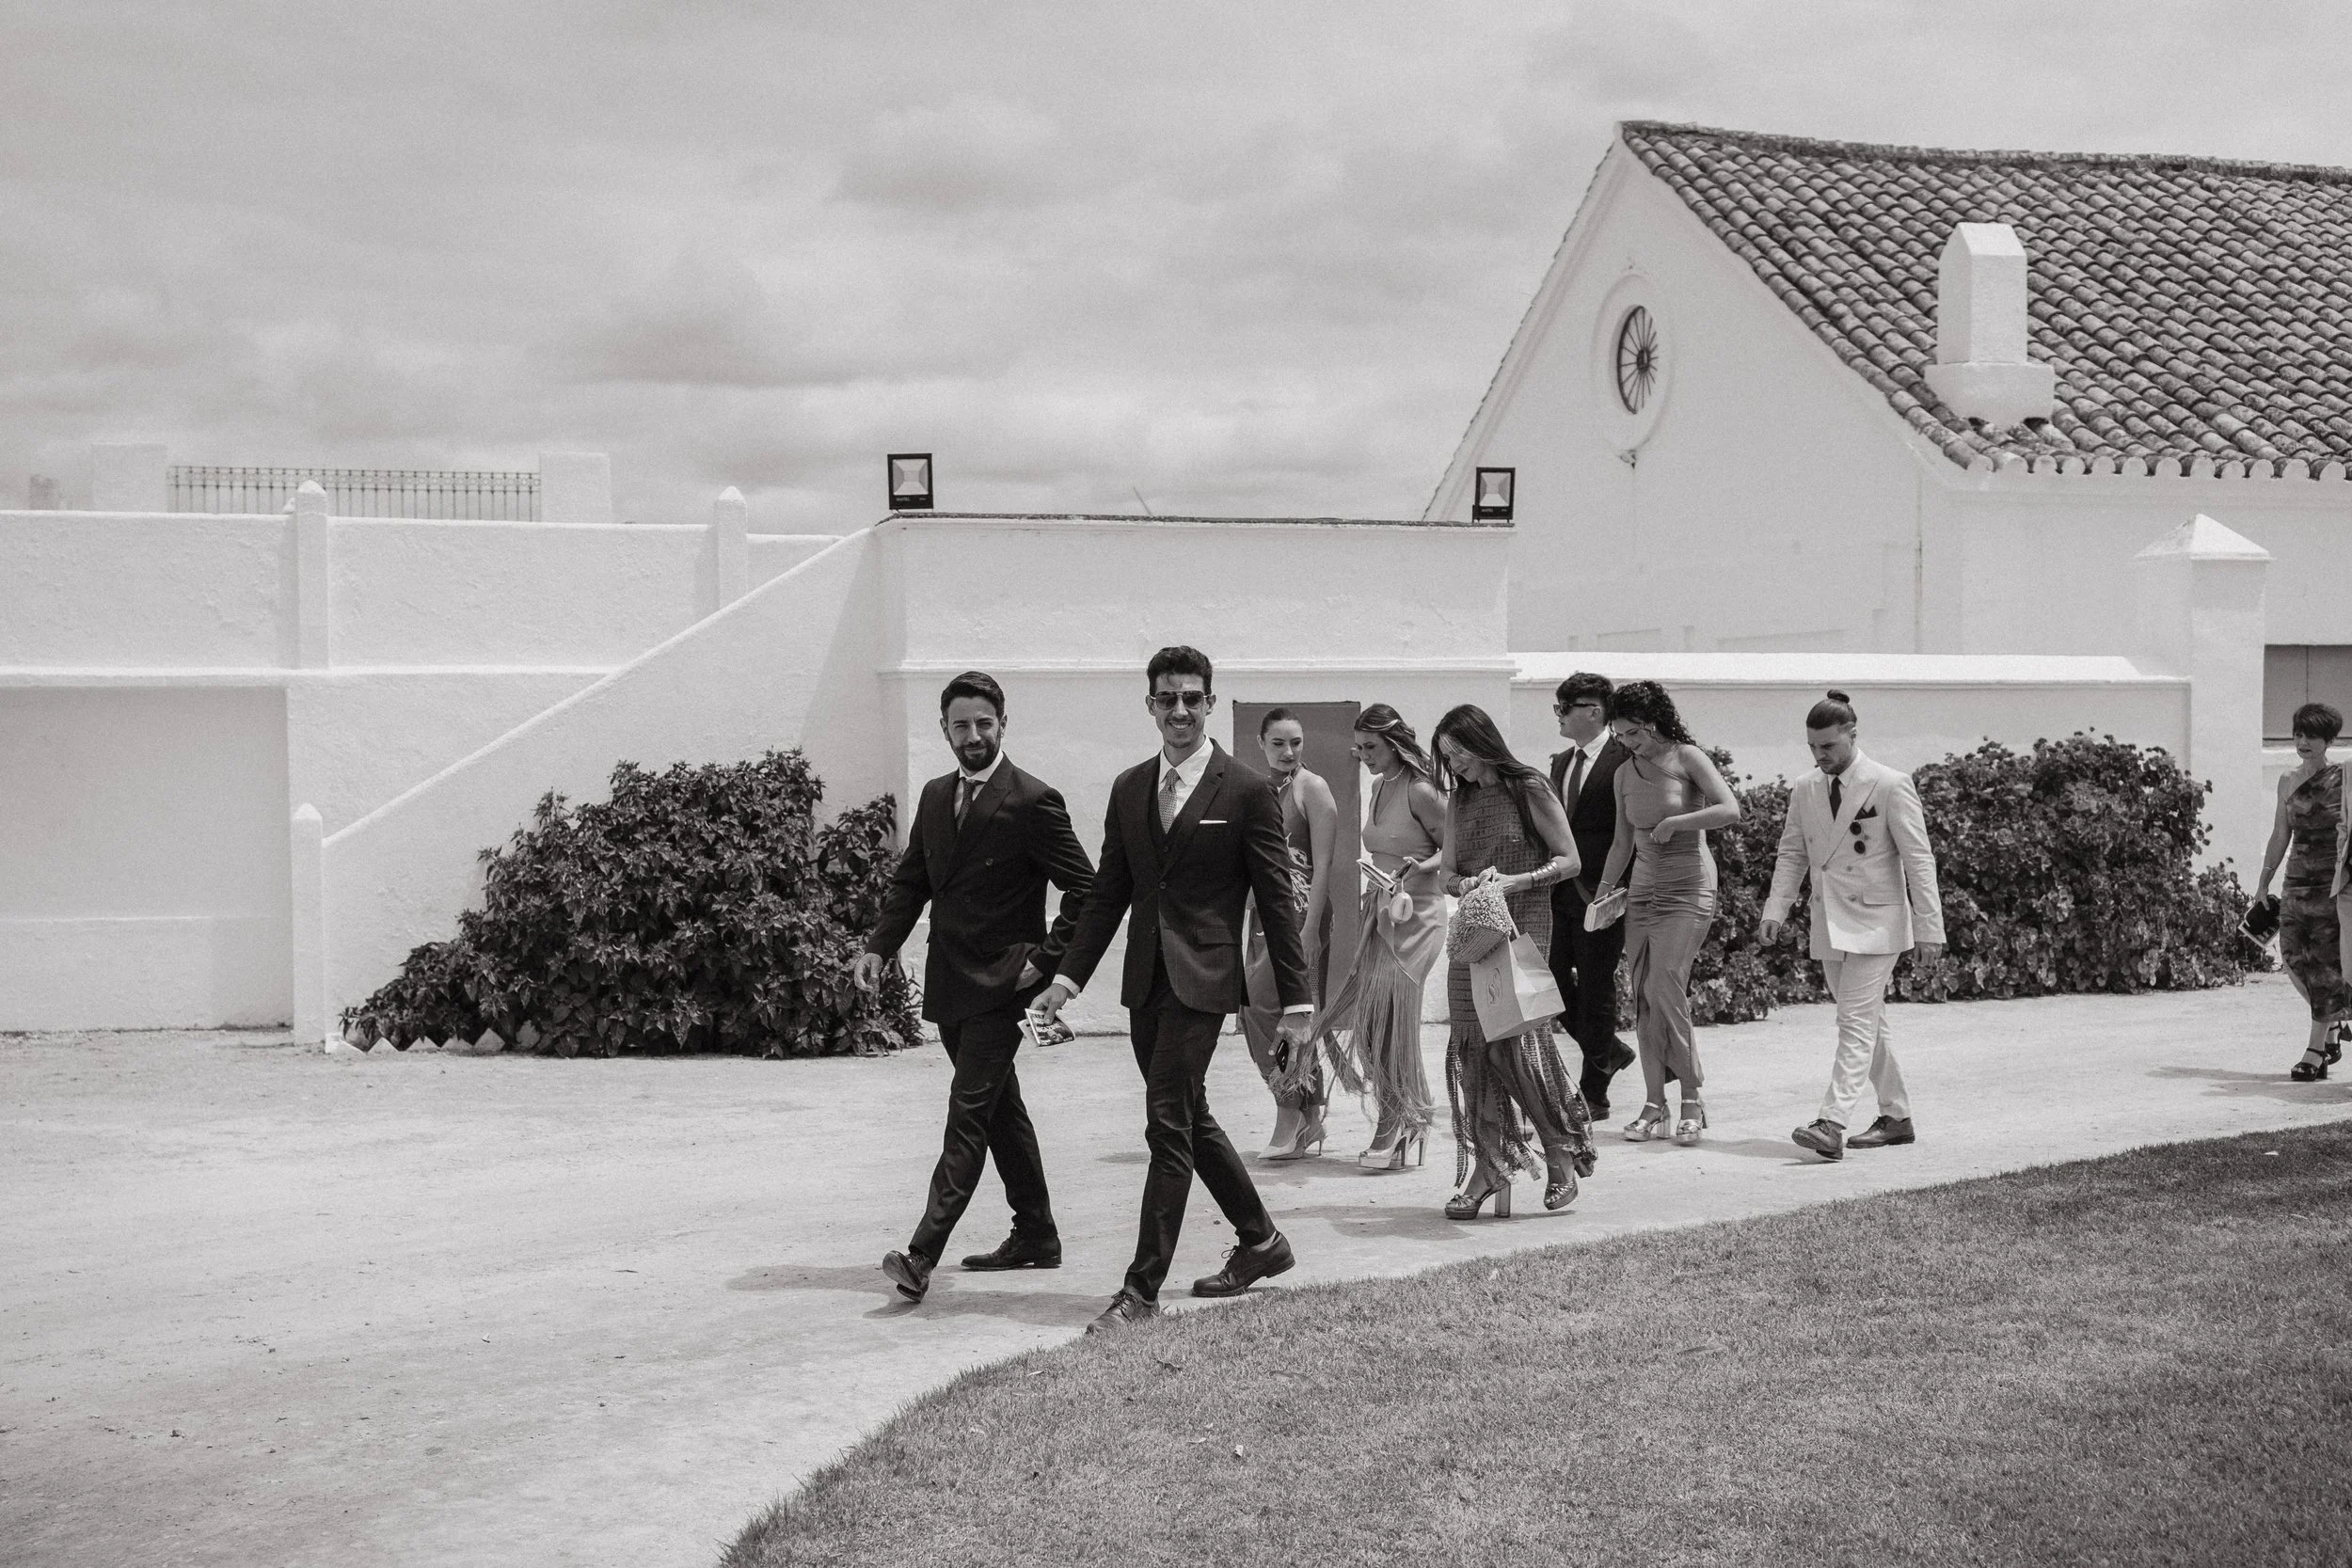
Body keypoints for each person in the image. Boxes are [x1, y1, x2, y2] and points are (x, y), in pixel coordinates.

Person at [1031, 646, 1313, 1332]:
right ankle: (1262, 1240)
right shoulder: (1129, 787)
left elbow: (1277, 900)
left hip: (1204, 981)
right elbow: (1108, 893)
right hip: (1145, 983)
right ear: (1150, 705)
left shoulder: (1244, 789)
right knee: (1189, 1116)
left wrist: (1298, 1003)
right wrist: (1066, 979)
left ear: (1210, 702)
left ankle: (1141, 1291)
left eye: (1191, 697)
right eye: (1167, 698)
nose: (1179, 710)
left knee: (1166, 1125)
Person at [856, 671, 1096, 1304]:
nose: (973, 735)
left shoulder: (1033, 800)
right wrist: (880, 945)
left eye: (983, 723)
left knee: (967, 1114)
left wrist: (1044, 960)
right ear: (944, 729)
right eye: (960, 725)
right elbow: (912, 881)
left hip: (1003, 984)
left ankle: (921, 1255)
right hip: (951, 983)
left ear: (1003, 725)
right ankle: (1036, 1233)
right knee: (999, 1112)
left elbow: (1086, 888)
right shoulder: (937, 796)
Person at [1762, 690, 1946, 1162]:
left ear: (1852, 735)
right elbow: (1792, 852)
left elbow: (1918, 859)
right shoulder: (1805, 787)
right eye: (1812, 746)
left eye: (1828, 745)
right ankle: (1897, 1117)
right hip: (1829, 920)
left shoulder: (1889, 783)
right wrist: (1775, 909)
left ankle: (1832, 1123)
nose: (1819, 755)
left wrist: (1930, 927)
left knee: (1854, 1022)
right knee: (1867, 1022)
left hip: (1877, 921)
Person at [1430, 704, 1595, 1218]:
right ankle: (1489, 1165)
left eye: (1459, 752)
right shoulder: (1460, 800)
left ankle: (1558, 1147)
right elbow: (1446, 873)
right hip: (1474, 936)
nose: (1454, 764)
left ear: (1483, 741)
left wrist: (1517, 882)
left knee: (1514, 1050)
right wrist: (1468, 884)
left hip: (1523, 931)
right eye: (1446, 757)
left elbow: (1570, 860)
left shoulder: (1528, 787)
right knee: (1474, 1052)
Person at [1292, 704, 1445, 1169]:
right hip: (1379, 912)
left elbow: (1455, 850)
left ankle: (1395, 1122)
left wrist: (1421, 865)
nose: (1363, 756)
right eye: (1358, 748)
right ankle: (1407, 1115)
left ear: (1395, 743)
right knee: (1373, 1025)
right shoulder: (1379, 786)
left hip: (1417, 916)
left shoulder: (1421, 790)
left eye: (1371, 747)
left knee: (1392, 1020)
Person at [1591, 680, 1740, 1147]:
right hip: (1641, 891)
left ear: (1653, 723)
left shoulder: (1687, 757)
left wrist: (1678, 822)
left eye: (1633, 733)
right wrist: (1601, 896)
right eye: (1619, 735)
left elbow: (1730, 809)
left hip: (1689, 886)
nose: (1627, 742)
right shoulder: (1624, 773)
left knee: (1666, 986)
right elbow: (1621, 843)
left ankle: (1692, 1098)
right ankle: (1655, 1104)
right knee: (1642, 994)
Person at [1240, 708, 1339, 1160]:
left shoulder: (1311, 787)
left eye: (1295, 742)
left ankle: (1288, 1110)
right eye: (1278, 743)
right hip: (1264, 916)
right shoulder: (1262, 789)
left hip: (1302, 917)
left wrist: (1312, 929)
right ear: (1261, 743)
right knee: (1253, 1011)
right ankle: (1309, 1117)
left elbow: (1324, 866)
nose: (1288, 752)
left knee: (1272, 1010)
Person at [1546, 673, 1637, 1119]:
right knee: (1550, 981)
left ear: (1594, 711)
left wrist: (1616, 887)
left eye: (1565, 708)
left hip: (1606, 893)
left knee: (1597, 985)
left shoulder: (1625, 758)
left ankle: (1594, 1092)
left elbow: (1628, 830)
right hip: (1562, 892)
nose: (1559, 716)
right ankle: (1610, 1050)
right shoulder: (1562, 762)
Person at [2255, 702, 2352, 1081]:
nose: (2302, 742)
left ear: (2329, 740)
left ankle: (2315, 1052)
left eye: (2311, 736)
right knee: (2293, 957)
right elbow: (2280, 834)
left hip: (2333, 883)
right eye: (2298, 734)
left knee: (2324, 964)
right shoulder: (2286, 780)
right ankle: (2332, 1025)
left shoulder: (2345, 779)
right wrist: (2263, 883)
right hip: (2296, 880)